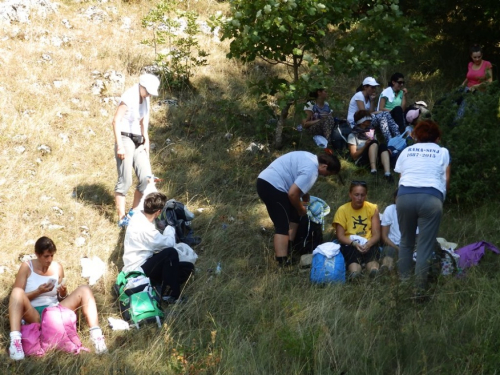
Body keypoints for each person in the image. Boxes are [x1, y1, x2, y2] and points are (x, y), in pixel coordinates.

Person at [8, 237, 107, 360]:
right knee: (17, 291)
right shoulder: (27, 267)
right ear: (37, 254)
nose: (49, 260)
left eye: (52, 256)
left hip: (54, 312)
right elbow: (16, 298)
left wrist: (63, 293)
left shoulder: (57, 267)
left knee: (85, 289)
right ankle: (15, 341)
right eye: (46, 256)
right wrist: (38, 291)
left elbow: (61, 299)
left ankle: (96, 336)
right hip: (34, 313)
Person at [395, 120, 451, 292]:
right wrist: (440, 199)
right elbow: (446, 179)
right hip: (431, 197)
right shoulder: (442, 152)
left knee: (406, 242)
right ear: (438, 138)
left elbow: (402, 177)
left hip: (404, 196)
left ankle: (403, 284)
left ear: (416, 135)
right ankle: (419, 290)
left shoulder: (406, 151)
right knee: (425, 246)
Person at [257, 151, 341, 266]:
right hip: (273, 185)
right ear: (324, 166)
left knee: (294, 216)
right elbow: (292, 194)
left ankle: (289, 246)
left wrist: (304, 194)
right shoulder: (312, 171)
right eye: (328, 173)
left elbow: (295, 177)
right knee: (282, 224)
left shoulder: (309, 157)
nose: (326, 176)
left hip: (265, 181)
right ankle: (282, 261)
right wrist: (301, 209)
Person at [123, 192, 195, 304]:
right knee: (170, 254)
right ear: (158, 212)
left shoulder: (137, 217)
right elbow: (169, 243)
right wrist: (170, 228)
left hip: (141, 262)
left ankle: (160, 285)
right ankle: (170, 295)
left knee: (187, 267)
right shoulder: (146, 230)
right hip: (138, 269)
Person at [112, 74, 160, 227]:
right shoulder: (129, 96)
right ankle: (121, 217)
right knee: (125, 180)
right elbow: (116, 120)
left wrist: (146, 137)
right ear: (142, 86)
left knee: (147, 178)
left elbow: (143, 119)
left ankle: (132, 213)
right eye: (149, 91)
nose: (150, 94)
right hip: (125, 138)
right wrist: (119, 145)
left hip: (138, 139)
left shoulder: (146, 98)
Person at [333, 181, 381, 280]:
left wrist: (368, 244)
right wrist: (354, 244)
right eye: (356, 195)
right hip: (350, 243)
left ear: (366, 195)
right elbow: (340, 236)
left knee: (372, 253)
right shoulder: (342, 210)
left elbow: (376, 235)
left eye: (362, 195)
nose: (359, 198)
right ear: (350, 194)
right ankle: (355, 274)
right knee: (352, 255)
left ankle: (374, 272)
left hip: (368, 242)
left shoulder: (372, 208)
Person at [348, 110, 394, 183]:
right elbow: (354, 156)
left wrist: (385, 150)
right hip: (362, 160)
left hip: (374, 157)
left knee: (382, 145)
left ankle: (387, 174)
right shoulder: (353, 135)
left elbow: (376, 146)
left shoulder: (371, 131)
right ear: (362, 122)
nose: (370, 120)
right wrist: (365, 145)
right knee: (373, 142)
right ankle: (374, 171)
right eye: (368, 119)